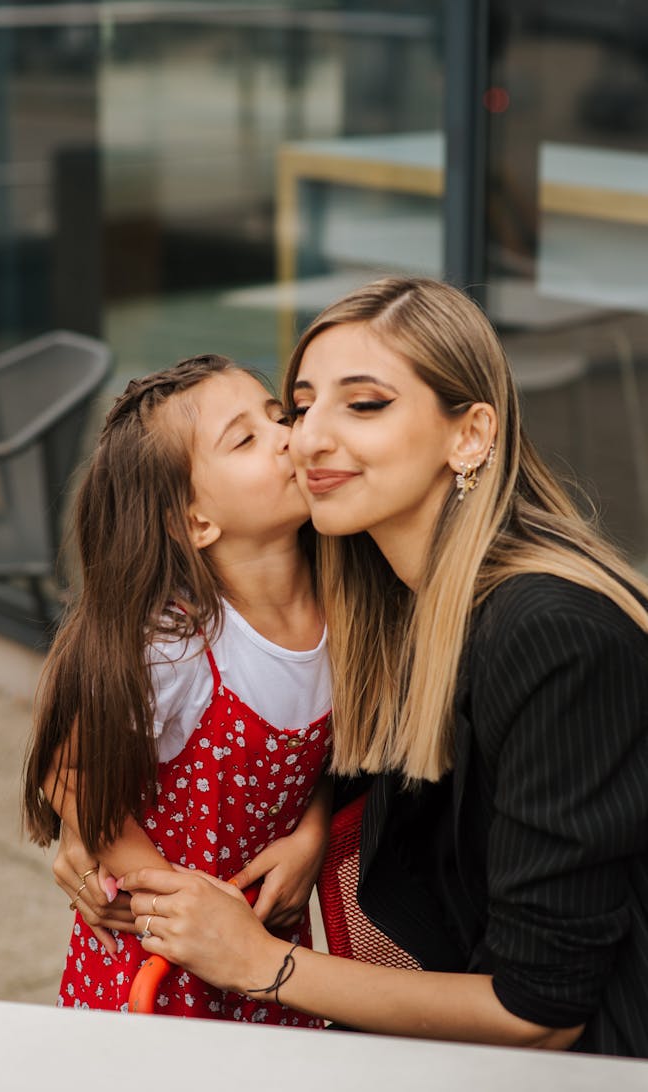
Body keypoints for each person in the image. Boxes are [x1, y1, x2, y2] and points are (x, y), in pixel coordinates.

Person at [110, 277, 647, 1057]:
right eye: (299, 405)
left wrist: (264, 965)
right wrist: (95, 838)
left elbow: (541, 1011)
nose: (304, 439)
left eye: (363, 405)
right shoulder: (387, 594)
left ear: (470, 435)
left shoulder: (549, 634)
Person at [23, 354, 332, 1023]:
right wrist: (165, 894)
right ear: (195, 522)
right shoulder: (174, 646)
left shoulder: (347, 600)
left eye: (279, 417)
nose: (288, 436)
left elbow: (353, 755)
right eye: (246, 439)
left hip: (272, 954)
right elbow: (66, 767)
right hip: (160, 968)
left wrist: (314, 831)